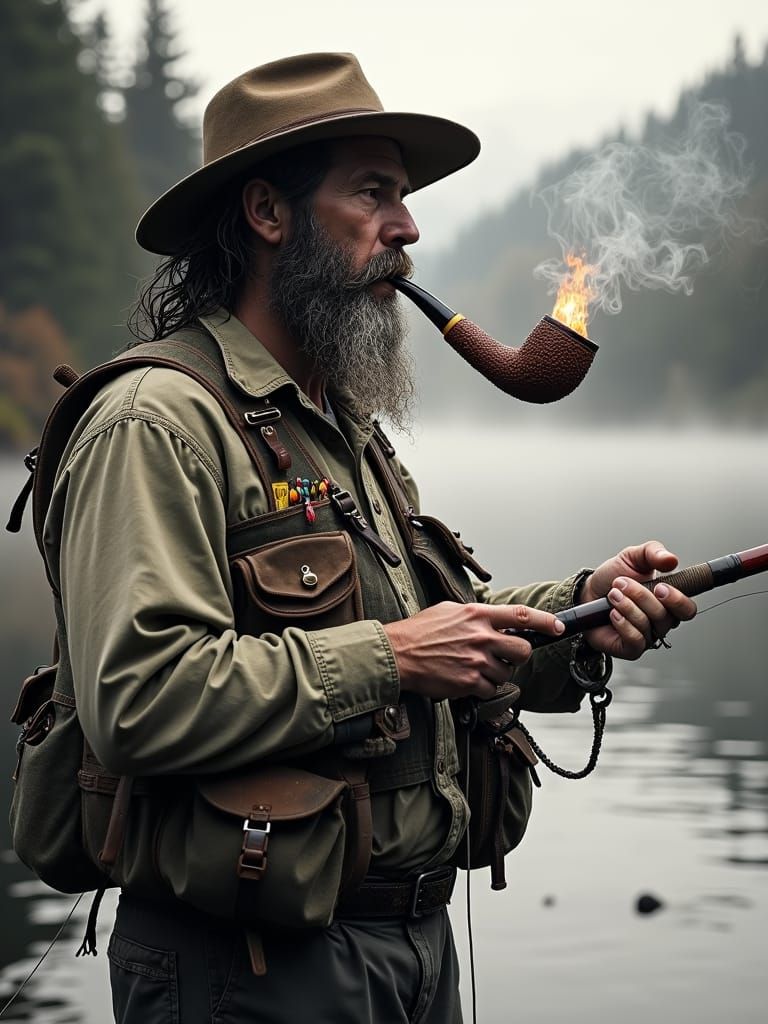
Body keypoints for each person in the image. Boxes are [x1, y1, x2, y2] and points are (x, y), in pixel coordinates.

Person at [44, 53, 696, 1023]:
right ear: (268, 212)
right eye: (373, 192)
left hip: (410, 951)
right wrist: (393, 658)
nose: (408, 226)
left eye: (406, 195)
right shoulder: (155, 421)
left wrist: (579, 611)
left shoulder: (339, 426)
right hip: (248, 971)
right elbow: (138, 699)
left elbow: (435, 626)